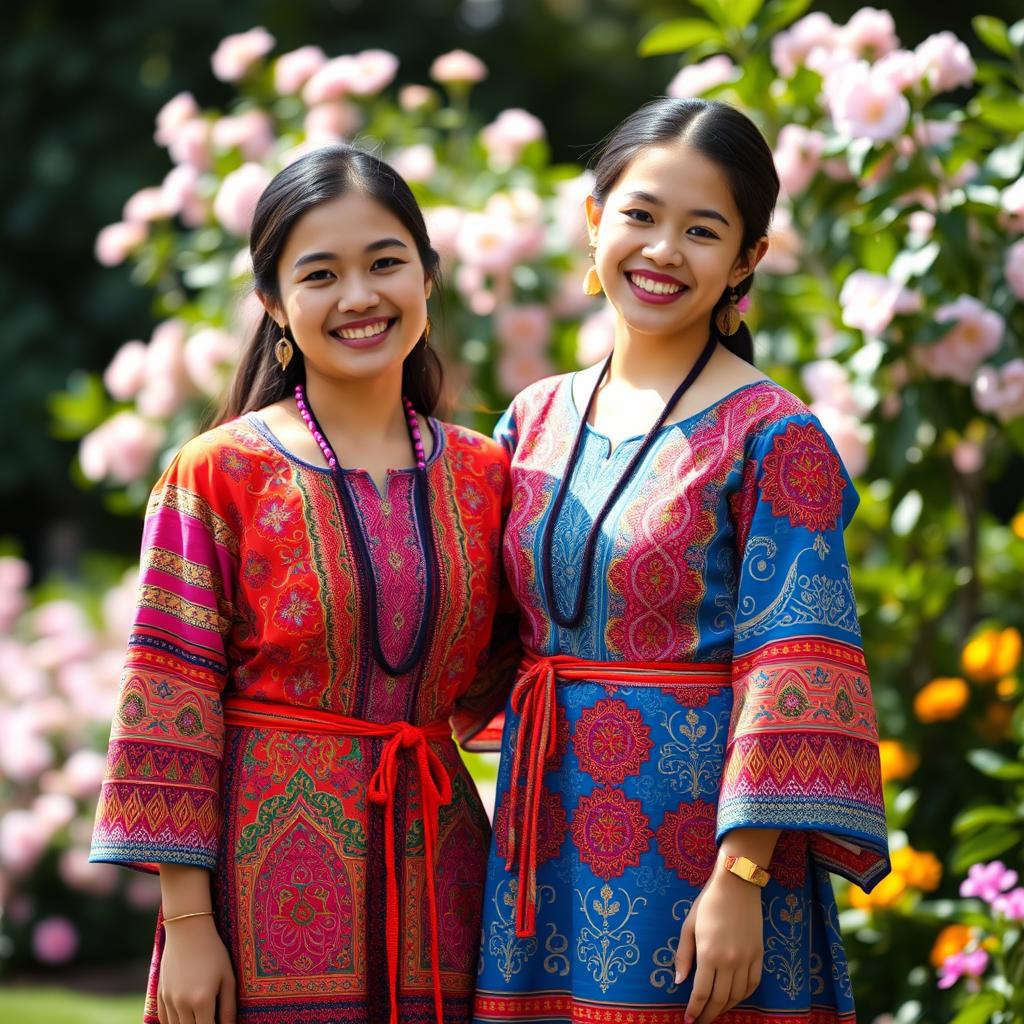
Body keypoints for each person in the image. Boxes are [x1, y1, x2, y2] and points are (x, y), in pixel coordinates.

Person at [472, 97, 890, 1024]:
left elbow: (797, 665)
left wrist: (740, 877)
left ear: (747, 260)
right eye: (640, 215)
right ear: (593, 220)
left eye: (703, 231)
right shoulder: (530, 419)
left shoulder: (776, 436)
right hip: (541, 847)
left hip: (704, 854)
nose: (662, 251)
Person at [90, 144, 514, 1024]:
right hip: (262, 885)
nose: (359, 297)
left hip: (443, 878)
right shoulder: (215, 475)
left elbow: (514, 678)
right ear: (275, 306)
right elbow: (169, 706)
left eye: (386, 263)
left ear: (428, 280)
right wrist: (189, 923)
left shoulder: (486, 475)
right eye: (320, 274)